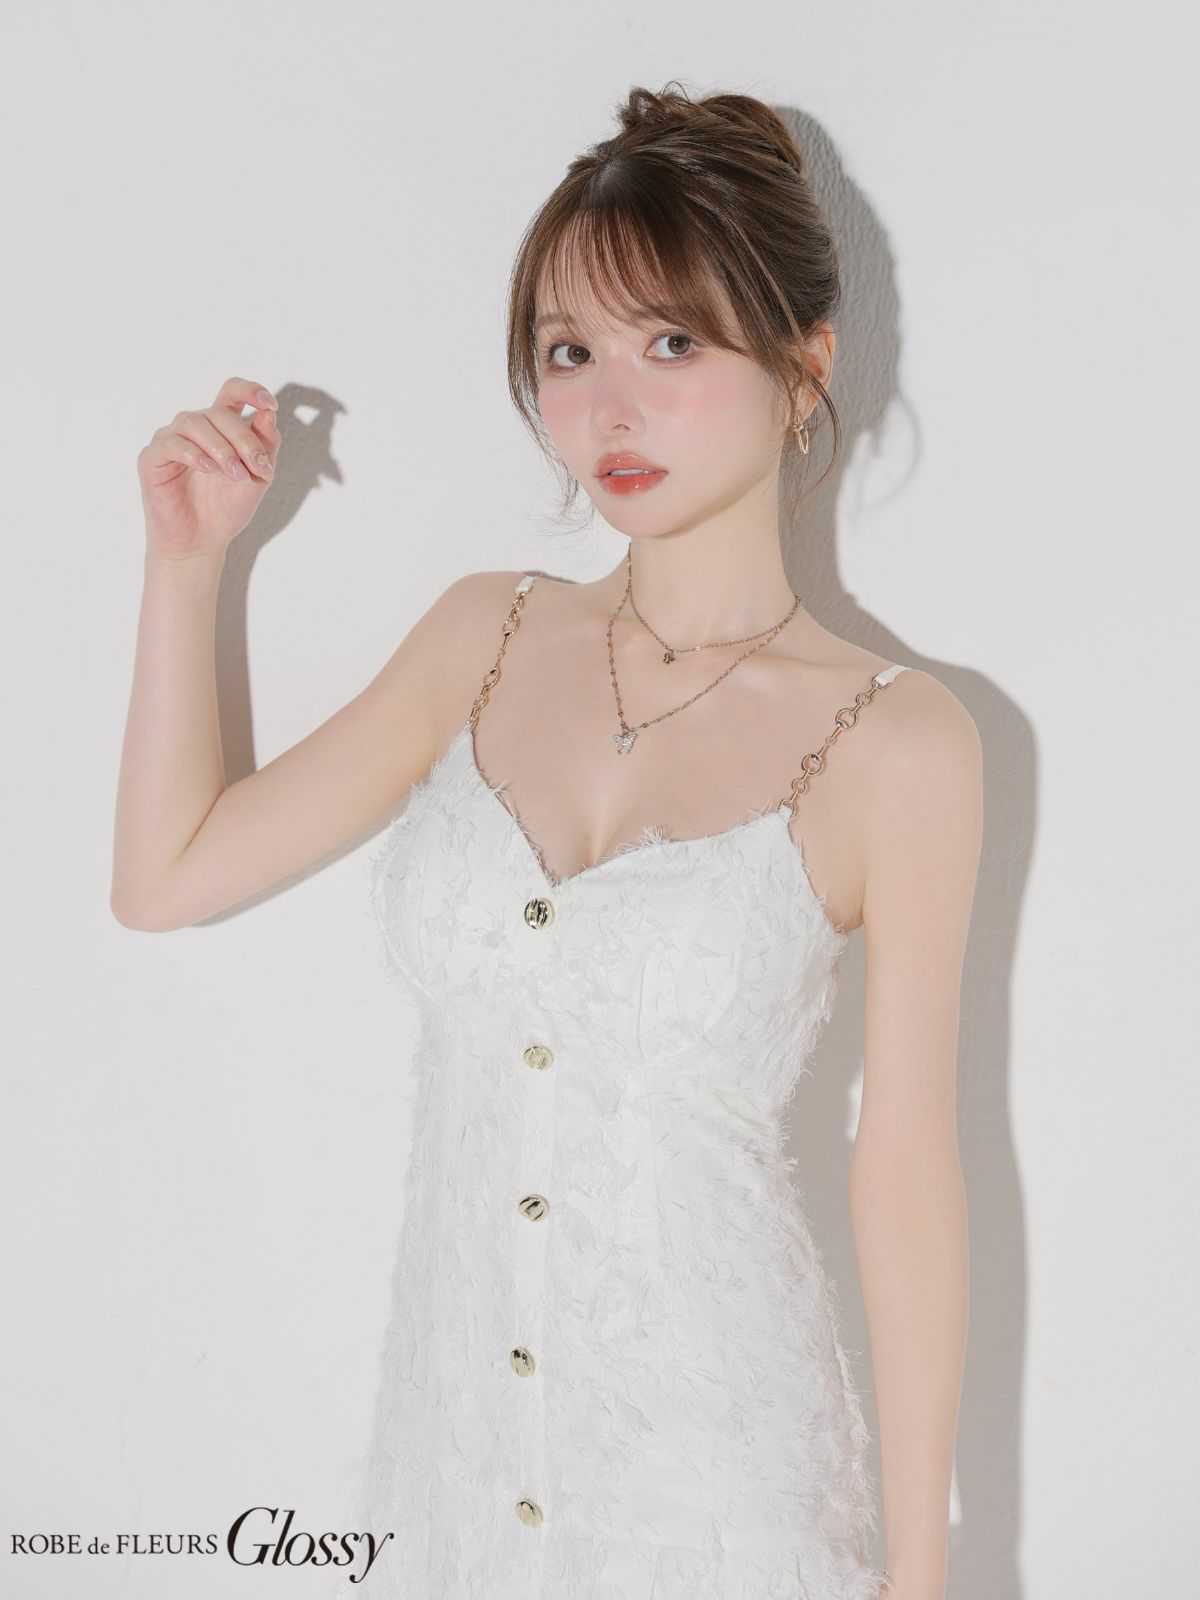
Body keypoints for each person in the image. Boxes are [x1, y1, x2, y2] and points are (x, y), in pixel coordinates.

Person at [113, 81, 979, 1600]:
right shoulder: (485, 637)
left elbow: (904, 1170)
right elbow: (165, 877)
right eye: (570, 352)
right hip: (448, 1481)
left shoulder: (900, 743)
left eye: (672, 344)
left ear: (804, 366)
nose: (609, 409)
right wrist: (187, 567)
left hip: (721, 1498)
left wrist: (921, 1578)